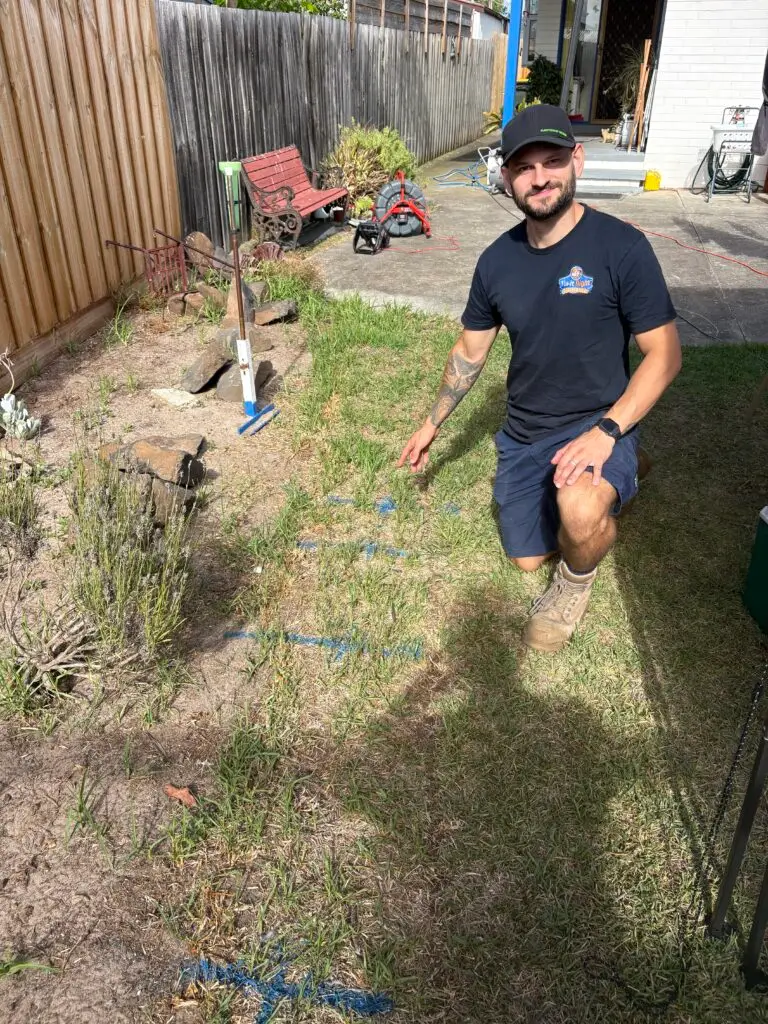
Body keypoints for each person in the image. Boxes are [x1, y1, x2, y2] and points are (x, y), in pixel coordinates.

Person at [398, 104, 682, 653]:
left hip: (597, 419)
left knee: (578, 514)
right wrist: (431, 423)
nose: (540, 178)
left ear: (577, 159)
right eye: (524, 168)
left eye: (552, 161)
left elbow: (664, 356)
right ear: (507, 177)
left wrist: (607, 431)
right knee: (525, 557)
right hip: (526, 432)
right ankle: (625, 478)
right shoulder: (495, 262)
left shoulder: (623, 248)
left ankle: (573, 585)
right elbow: (470, 351)